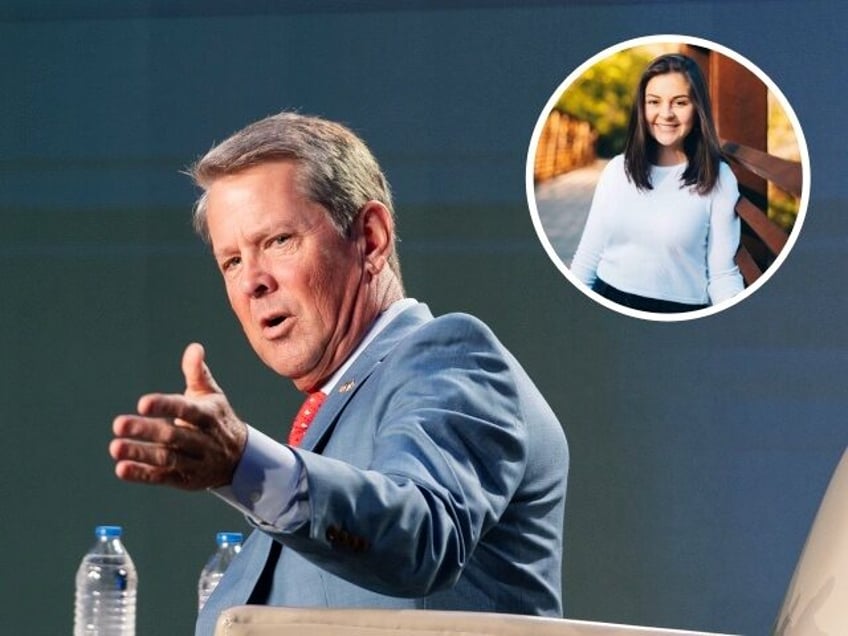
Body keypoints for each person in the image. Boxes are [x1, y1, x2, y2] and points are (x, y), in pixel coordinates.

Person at [109, 112, 569, 635]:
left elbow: (420, 536)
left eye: (278, 240)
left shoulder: (450, 355)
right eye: (231, 261)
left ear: (370, 239)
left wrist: (244, 465)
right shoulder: (328, 427)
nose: (252, 282)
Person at [570, 53, 745, 313]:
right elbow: (587, 257)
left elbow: (722, 275)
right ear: (642, 107)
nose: (666, 114)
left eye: (680, 102)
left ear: (698, 108)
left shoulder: (718, 177)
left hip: (679, 313)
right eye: (654, 102)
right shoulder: (618, 170)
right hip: (607, 300)